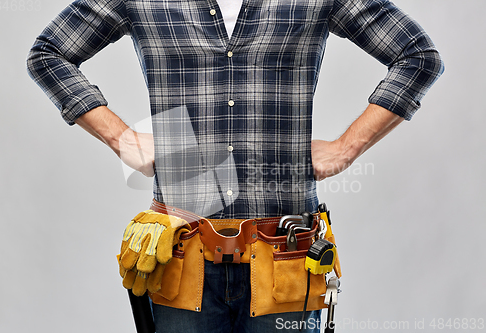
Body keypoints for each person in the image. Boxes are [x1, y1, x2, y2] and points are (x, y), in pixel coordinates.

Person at [27, 0, 444, 332]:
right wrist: (122, 138)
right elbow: (49, 54)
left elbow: (418, 56)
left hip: (286, 255)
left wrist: (347, 147)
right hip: (180, 252)